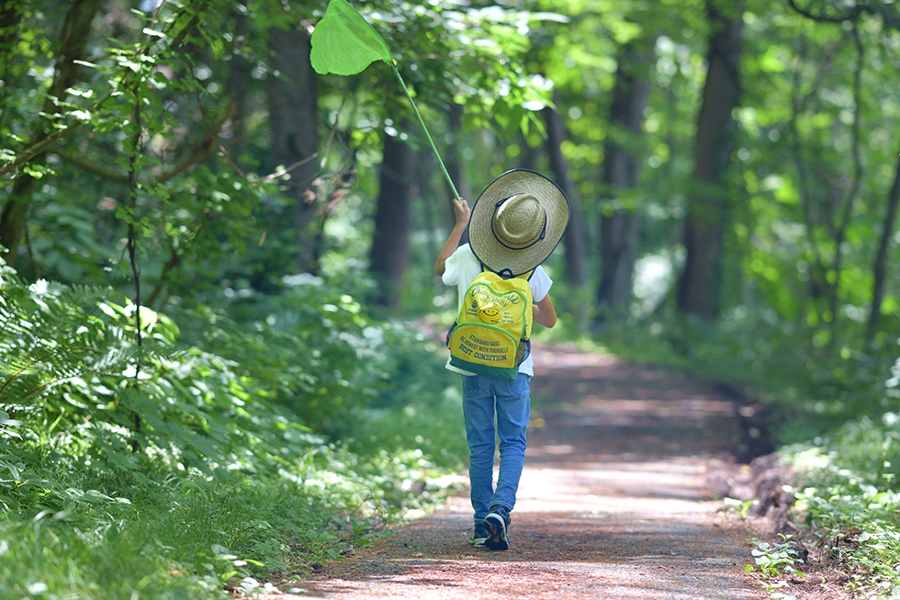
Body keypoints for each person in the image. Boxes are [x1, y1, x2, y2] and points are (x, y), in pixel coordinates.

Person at [434, 169, 569, 551]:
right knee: (512, 443)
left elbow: (439, 269)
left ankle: (480, 524)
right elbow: (550, 319)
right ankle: (500, 509)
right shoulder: (532, 269)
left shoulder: (467, 255)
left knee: (480, 446)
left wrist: (460, 224)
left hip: (471, 362)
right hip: (514, 367)